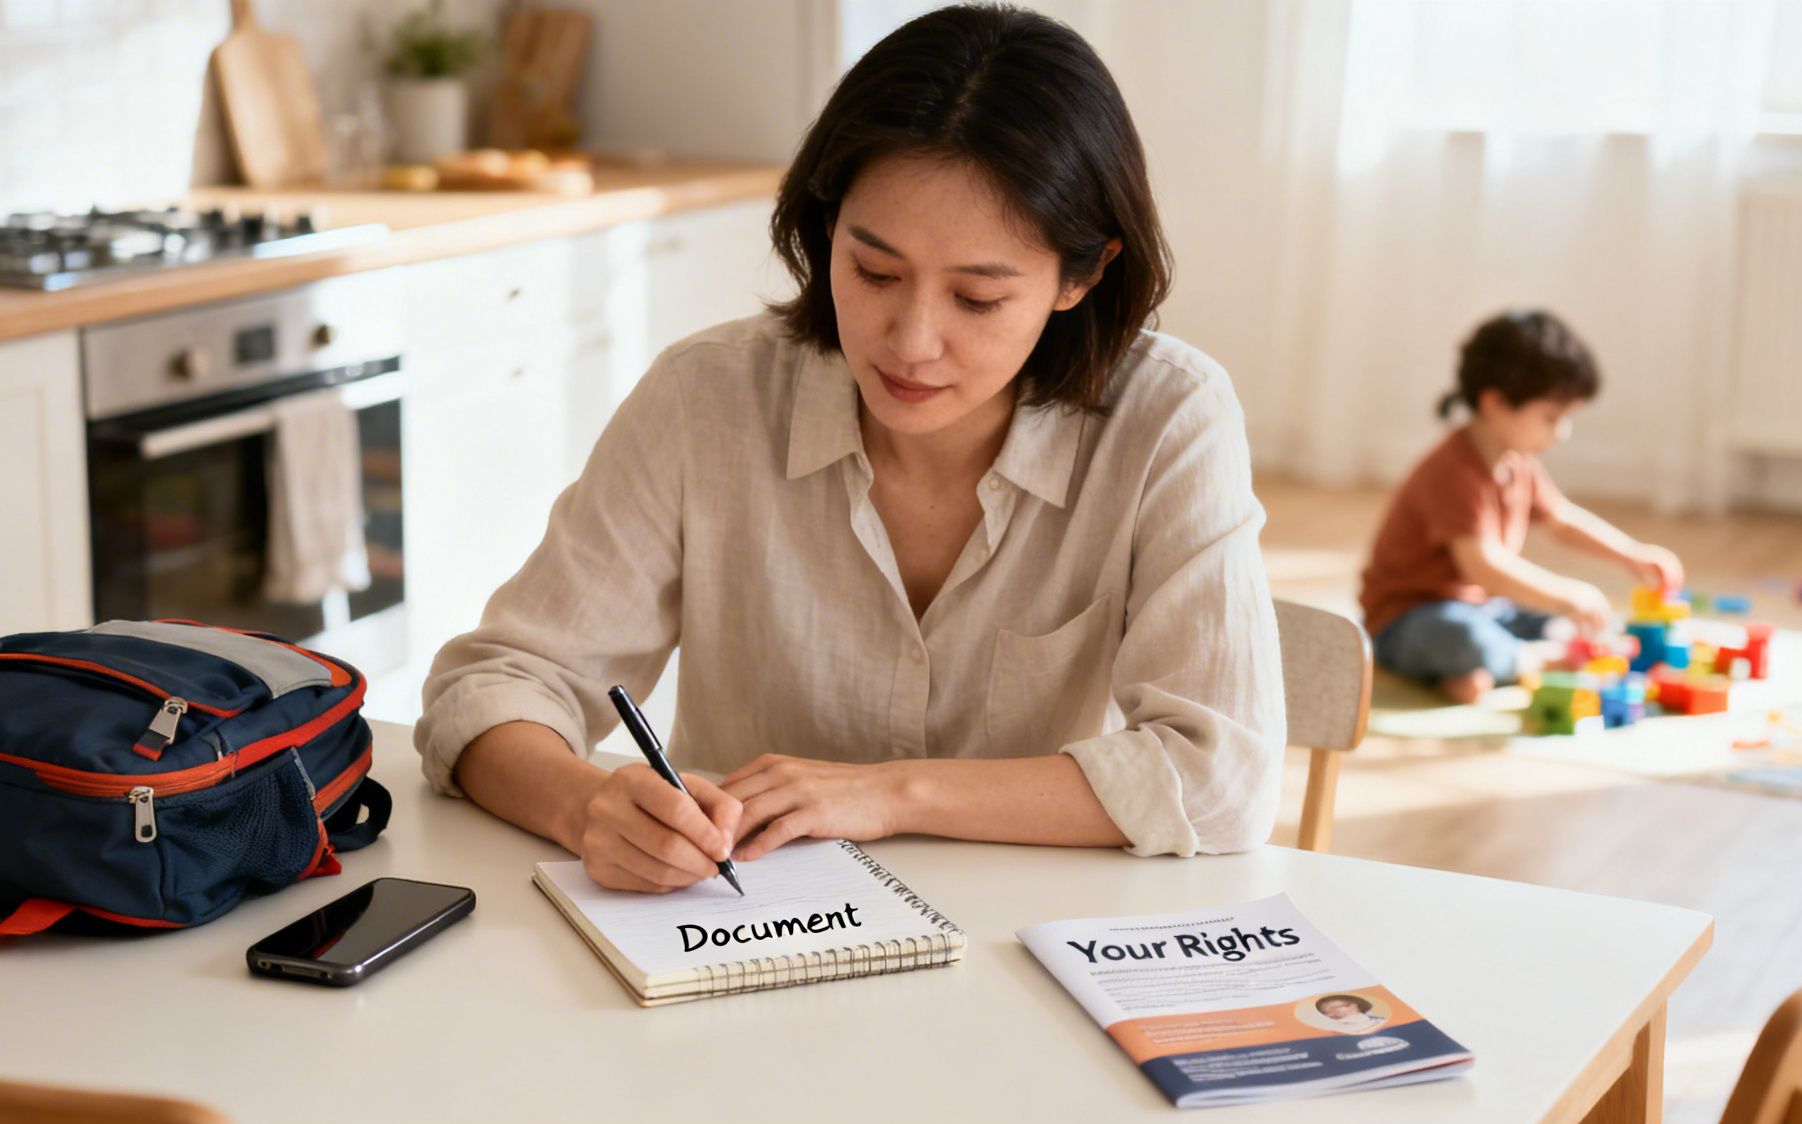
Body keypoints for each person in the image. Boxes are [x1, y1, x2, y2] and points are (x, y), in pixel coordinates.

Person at [415, 3, 1285, 893]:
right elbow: (491, 686)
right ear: (826, 226)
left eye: (978, 299)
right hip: (733, 936)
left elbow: (1221, 780)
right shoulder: (705, 398)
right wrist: (584, 804)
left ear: (1084, 274)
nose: (910, 341)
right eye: (873, 272)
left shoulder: (1167, 419)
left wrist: (888, 794)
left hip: (1023, 944)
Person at [1359, 310, 1685, 704]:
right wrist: (1566, 592)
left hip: (1484, 608)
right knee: (1466, 639)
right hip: (1408, 619)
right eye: (1551, 417)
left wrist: (1630, 554)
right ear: (1495, 401)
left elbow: (1562, 520)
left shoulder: (1517, 462)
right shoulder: (1452, 471)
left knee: (1565, 623)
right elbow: (1484, 567)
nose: (1561, 433)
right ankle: (1531, 661)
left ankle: (1479, 671)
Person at [1312, 994, 1387, 1034]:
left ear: (1353, 1005)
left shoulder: (1379, 1021)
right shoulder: (1331, 1028)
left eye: (1334, 1007)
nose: (1329, 1013)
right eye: (1324, 1011)